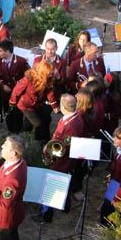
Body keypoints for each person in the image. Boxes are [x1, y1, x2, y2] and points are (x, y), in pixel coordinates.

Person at [39, 94, 85, 223]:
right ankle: (66, 205)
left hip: (62, 159)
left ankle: (46, 215)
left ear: (63, 107)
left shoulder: (71, 124)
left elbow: (63, 147)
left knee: (51, 184)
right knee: (67, 179)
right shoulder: (73, 117)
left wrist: (48, 151)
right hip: (66, 158)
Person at [10, 60, 59, 142]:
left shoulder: (49, 78)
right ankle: (38, 142)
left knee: (42, 120)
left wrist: (54, 105)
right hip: (25, 105)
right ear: (43, 72)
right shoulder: (28, 78)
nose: (51, 74)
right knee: (38, 124)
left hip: (37, 104)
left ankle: (25, 136)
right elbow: (17, 90)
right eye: (49, 73)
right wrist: (12, 102)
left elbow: (50, 92)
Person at [0, 39, 30, 133]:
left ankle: (17, 131)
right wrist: (2, 85)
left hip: (18, 94)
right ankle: (11, 130)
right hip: (5, 93)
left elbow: (28, 76)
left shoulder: (21, 61)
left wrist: (19, 87)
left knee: (17, 113)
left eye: (1, 51)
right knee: (7, 111)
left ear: (8, 51)